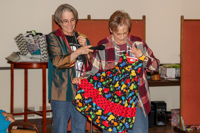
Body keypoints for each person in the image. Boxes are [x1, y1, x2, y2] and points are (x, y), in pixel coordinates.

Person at [72, 10, 160, 133]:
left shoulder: (138, 44)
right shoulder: (103, 47)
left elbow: (155, 67)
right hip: (111, 105)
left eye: (125, 32)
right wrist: (82, 80)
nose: (122, 37)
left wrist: (143, 57)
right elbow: (92, 72)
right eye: (118, 34)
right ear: (111, 29)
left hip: (137, 101)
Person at [47, 4, 93, 133]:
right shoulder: (53, 38)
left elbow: (91, 65)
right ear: (58, 21)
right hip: (61, 91)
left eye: (72, 20)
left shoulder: (83, 38)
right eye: (65, 21)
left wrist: (87, 48)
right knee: (60, 128)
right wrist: (78, 51)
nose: (70, 24)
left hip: (81, 89)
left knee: (80, 128)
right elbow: (58, 62)